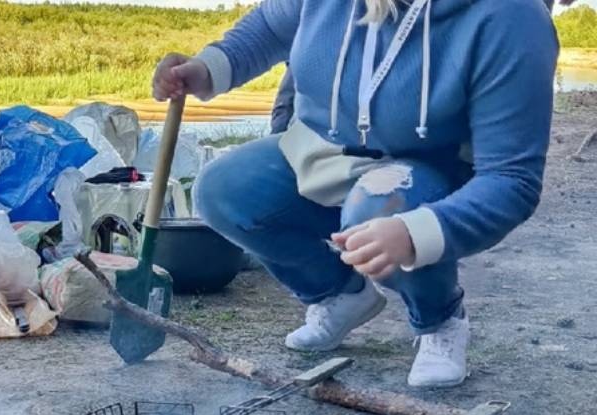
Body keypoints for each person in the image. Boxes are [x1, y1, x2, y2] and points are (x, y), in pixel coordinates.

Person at [153, 0, 559, 388]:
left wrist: (414, 234)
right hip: (322, 150)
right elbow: (268, 29)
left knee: (379, 208)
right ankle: (340, 295)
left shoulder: (511, 17)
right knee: (222, 189)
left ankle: (440, 319)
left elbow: (511, 179)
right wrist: (206, 69)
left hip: (426, 167)